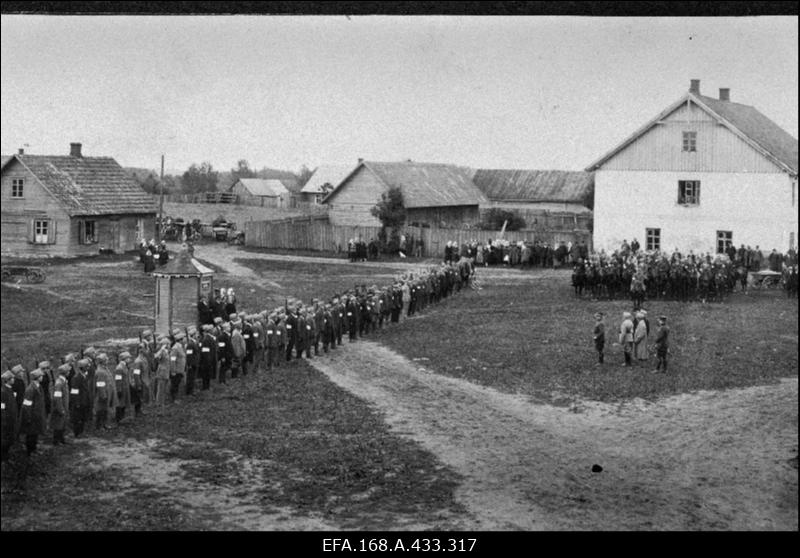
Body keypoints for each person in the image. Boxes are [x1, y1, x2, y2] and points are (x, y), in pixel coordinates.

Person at [19, 368, 46, 455]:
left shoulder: (39, 387)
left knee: (35, 434)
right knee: (30, 434)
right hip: (31, 417)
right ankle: (29, 451)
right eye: (41, 376)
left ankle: (34, 449)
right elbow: (26, 406)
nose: (42, 377)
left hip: (37, 416)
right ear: (38, 377)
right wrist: (28, 417)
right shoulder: (30, 389)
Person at [69, 358, 92, 437]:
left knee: (82, 417)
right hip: (79, 401)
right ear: (83, 367)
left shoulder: (84, 376)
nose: (88, 368)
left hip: (84, 400)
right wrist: (77, 403)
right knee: (78, 418)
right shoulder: (76, 377)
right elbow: (74, 392)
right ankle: (77, 433)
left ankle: (81, 432)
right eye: (87, 367)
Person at [50, 364, 71, 445]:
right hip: (60, 408)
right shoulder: (59, 383)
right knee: (58, 424)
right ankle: (56, 440)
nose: (69, 372)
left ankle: (61, 439)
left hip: (64, 406)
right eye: (68, 371)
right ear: (65, 372)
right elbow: (57, 398)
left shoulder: (63, 381)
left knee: (62, 424)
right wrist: (61, 409)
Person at [1, 370, 18, 461]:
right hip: (6, 420)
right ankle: (3, 457)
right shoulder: (3, 392)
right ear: (8, 380)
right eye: (12, 378)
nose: (14, 380)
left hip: (11, 419)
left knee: (10, 437)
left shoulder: (10, 389)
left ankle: (6, 455)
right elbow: (2, 408)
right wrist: (4, 421)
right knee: (5, 439)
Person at [114, 352, 132, 425]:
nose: (130, 359)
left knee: (123, 403)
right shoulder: (119, 368)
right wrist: (119, 390)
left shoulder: (124, 366)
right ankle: (118, 419)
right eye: (129, 358)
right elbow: (118, 380)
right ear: (125, 359)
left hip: (125, 388)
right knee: (120, 404)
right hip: (122, 388)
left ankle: (122, 418)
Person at [198, 325, 217, 391]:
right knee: (205, 374)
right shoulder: (206, 340)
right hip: (206, 361)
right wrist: (208, 361)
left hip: (210, 359)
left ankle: (207, 387)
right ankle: (205, 387)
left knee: (208, 374)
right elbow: (205, 352)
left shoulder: (209, 338)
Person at [169, 331, 186, 402]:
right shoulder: (175, 348)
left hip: (180, 369)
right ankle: (174, 399)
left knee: (177, 384)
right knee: (174, 384)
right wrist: (173, 371)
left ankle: (176, 397)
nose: (185, 340)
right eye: (184, 338)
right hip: (176, 370)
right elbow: (172, 360)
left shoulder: (180, 347)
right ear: (181, 340)